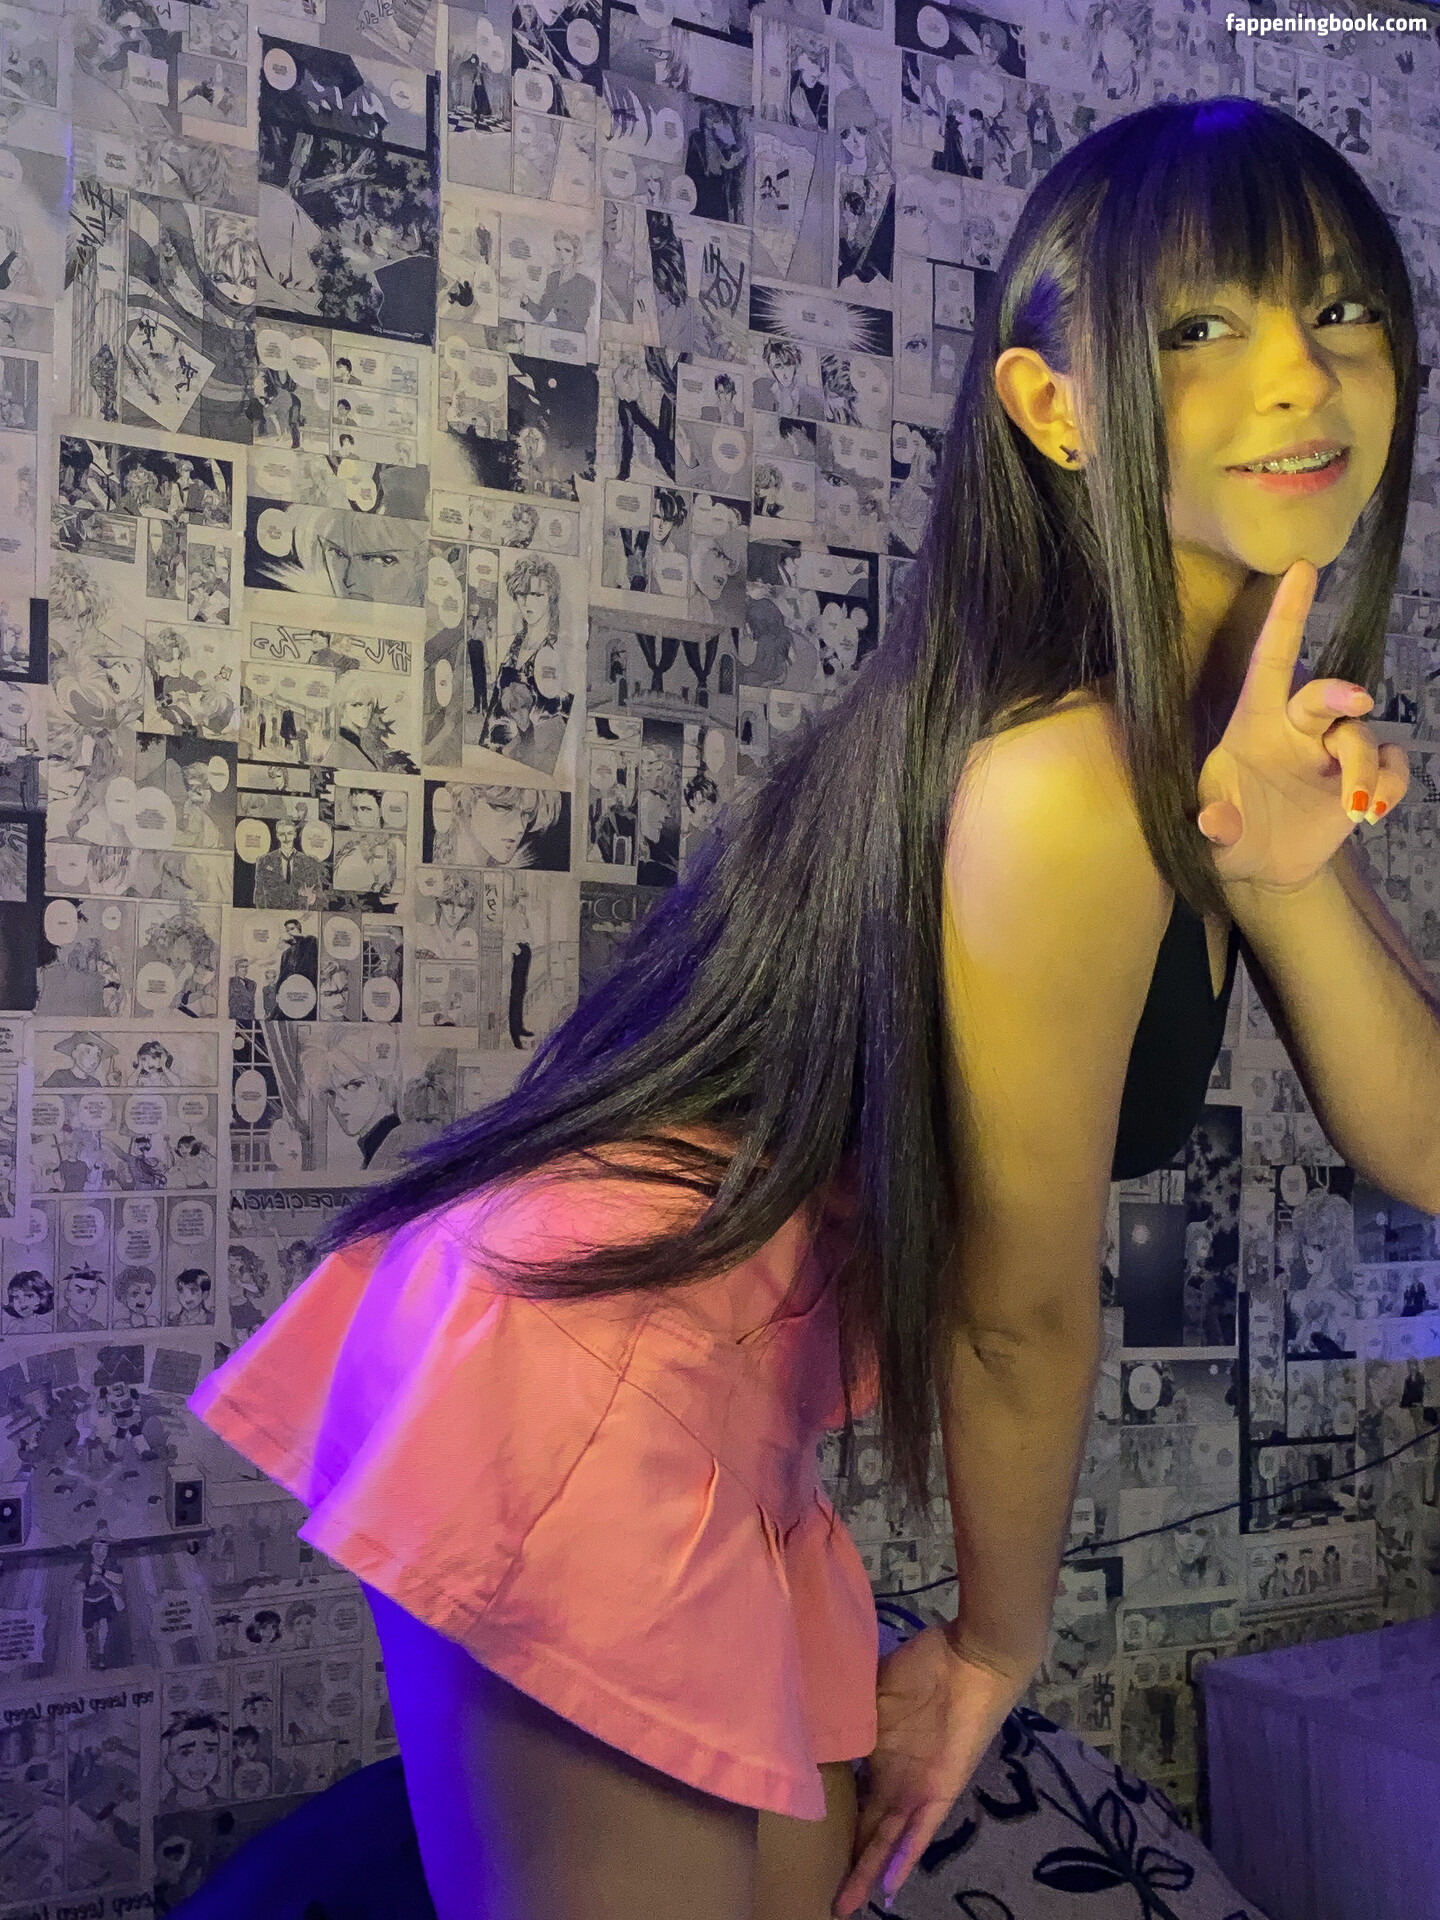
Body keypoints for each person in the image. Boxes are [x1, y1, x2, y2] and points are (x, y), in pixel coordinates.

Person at [188, 99, 1436, 1920]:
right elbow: (1010, 1316)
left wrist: (1288, 868)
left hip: (720, 1401)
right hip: (584, 1360)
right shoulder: (1060, 779)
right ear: (1055, 409)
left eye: (1341, 309)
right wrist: (995, 1646)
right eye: (1198, 324)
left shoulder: (1198, 749)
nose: (1299, 375)